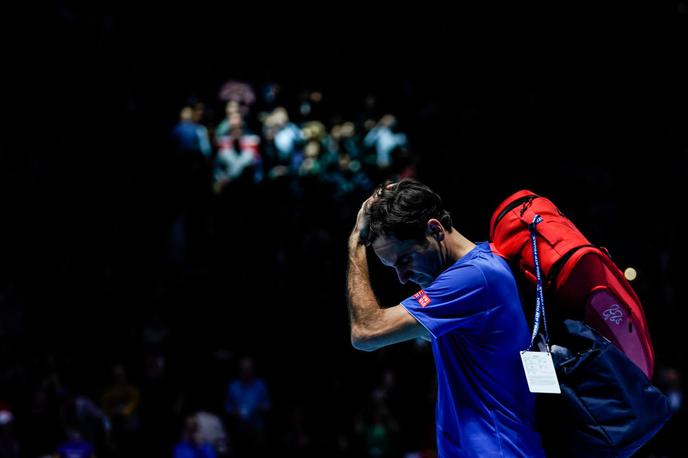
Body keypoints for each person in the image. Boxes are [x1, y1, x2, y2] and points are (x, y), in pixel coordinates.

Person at [346, 179, 545, 457]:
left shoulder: (472, 279)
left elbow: (365, 332)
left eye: (404, 260)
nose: (402, 278)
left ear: (435, 229)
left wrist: (356, 241)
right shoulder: (482, 264)